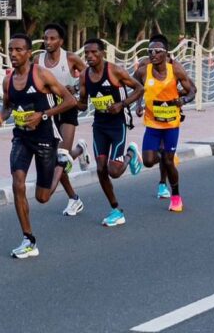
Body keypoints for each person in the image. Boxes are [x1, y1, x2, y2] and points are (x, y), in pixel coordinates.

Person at [0, 33, 76, 259]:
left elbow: (70, 101)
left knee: (43, 197)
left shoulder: (41, 75)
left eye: (19, 50)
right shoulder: (8, 80)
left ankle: (62, 161)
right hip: (21, 137)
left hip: (45, 137)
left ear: (29, 53)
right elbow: (8, 107)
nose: (13, 54)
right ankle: (28, 239)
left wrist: (44, 115)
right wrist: (1, 116)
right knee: (17, 184)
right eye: (11, 50)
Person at [76, 38, 144, 227]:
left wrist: (121, 104)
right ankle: (115, 209)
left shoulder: (114, 71)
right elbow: (82, 104)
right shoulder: (84, 76)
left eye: (94, 52)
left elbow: (140, 88)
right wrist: (67, 98)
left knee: (114, 171)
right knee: (100, 168)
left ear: (102, 53)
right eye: (86, 53)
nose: (89, 56)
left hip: (118, 122)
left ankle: (131, 153)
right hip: (99, 125)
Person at [134, 34, 197, 213]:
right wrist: (138, 105)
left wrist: (183, 100)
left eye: (157, 51)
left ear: (165, 53)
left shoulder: (175, 70)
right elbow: (135, 85)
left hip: (171, 125)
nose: (152, 54)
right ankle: (163, 155)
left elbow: (192, 90)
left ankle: (176, 196)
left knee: (169, 163)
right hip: (152, 124)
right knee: (147, 161)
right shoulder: (143, 70)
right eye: (150, 51)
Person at [37, 23, 89, 216]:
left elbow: (89, 76)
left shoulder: (70, 58)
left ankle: (53, 191)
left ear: (61, 41)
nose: (48, 42)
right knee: (55, 159)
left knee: (60, 158)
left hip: (67, 109)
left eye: (52, 39)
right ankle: (74, 198)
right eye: (45, 38)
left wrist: (75, 90)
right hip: (48, 112)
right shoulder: (38, 59)